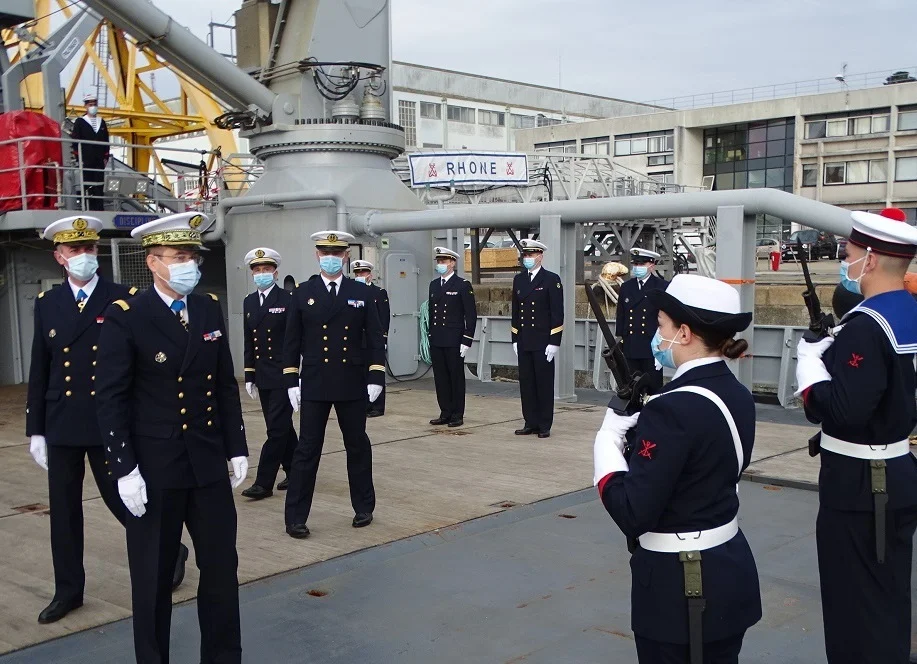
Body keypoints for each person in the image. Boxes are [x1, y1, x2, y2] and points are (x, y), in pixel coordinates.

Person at [94, 211, 248, 663]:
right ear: (154, 262)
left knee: (221, 570)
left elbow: (223, 384)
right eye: (179, 257)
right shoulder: (126, 316)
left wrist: (236, 446)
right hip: (154, 468)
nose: (189, 266)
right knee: (153, 577)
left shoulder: (205, 306)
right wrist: (123, 468)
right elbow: (111, 398)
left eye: (193, 257)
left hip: (206, 463)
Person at [24, 215, 188, 625]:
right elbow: (40, 367)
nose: (84, 255)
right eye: (75, 249)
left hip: (108, 421)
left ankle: (169, 553)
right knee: (63, 510)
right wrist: (36, 428)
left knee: (125, 499)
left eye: (90, 248)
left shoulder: (124, 298)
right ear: (60, 256)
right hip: (62, 419)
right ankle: (68, 591)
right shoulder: (47, 304)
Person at [594, 274, 761, 664]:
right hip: (727, 568)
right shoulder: (736, 394)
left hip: (681, 587)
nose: (657, 335)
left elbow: (633, 511)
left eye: (661, 326)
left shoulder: (670, 409)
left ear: (683, 333)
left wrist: (607, 440)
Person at [795, 208, 917, 664]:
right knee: (886, 599)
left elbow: (841, 412)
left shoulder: (866, 327)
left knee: (853, 607)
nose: (843, 263)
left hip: (862, 483)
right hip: (897, 470)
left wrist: (810, 366)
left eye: (848, 254)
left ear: (869, 260)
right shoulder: (909, 311)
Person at [282, 231, 385, 539]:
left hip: (351, 380)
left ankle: (363, 507)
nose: (330, 257)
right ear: (317, 255)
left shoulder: (361, 292)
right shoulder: (303, 292)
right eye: (324, 251)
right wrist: (290, 379)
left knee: (357, 445)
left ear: (345, 256)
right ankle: (295, 517)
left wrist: (376, 375)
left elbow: (374, 338)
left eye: (336, 252)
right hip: (315, 381)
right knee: (307, 450)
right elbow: (292, 341)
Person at [240, 247, 297, 500]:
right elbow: (249, 341)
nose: (261, 273)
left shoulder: (288, 300)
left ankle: (264, 482)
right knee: (282, 428)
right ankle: (297, 470)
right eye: (257, 269)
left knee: (275, 430)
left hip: (284, 375)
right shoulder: (249, 302)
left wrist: (297, 376)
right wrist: (249, 374)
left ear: (275, 272)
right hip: (263, 375)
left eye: (266, 269)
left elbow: (297, 340)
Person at [510, 239, 564, 439]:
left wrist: (554, 342)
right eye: (525, 255)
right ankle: (529, 421)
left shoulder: (551, 279)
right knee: (527, 382)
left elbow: (557, 313)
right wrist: (515, 337)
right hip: (524, 340)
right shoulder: (519, 280)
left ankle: (544, 424)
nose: (528, 259)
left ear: (540, 256)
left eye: (531, 255)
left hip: (543, 341)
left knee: (543, 382)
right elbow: (515, 311)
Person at [427, 247, 477, 428]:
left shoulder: (462, 285)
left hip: (455, 339)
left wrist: (467, 339)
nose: (441, 264)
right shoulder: (433, 285)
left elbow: (470, 315)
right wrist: (429, 335)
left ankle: (457, 414)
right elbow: (432, 313)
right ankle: (445, 411)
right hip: (437, 338)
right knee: (440, 377)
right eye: (438, 261)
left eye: (444, 261)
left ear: (452, 263)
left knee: (455, 377)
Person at [615, 248, 668, 394]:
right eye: (635, 263)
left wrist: (663, 349)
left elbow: (667, 319)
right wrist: (620, 339)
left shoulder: (662, 287)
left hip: (652, 347)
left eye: (641, 264)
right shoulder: (627, 287)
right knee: (631, 388)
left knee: (652, 388)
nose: (637, 267)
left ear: (652, 265)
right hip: (631, 345)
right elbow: (621, 315)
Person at [352, 260, 391, 417]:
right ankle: (364, 404)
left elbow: (384, 317)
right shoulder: (352, 292)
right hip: (356, 340)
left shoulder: (378, 292)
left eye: (363, 272)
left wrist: (383, 339)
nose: (360, 275)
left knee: (375, 372)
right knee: (359, 374)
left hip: (373, 340)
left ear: (370, 275)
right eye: (357, 273)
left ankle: (377, 406)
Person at [69, 92, 110, 212]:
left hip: (99, 159)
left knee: (99, 184)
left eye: (94, 104)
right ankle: (89, 206)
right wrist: (78, 159)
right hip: (86, 159)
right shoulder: (80, 122)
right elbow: (75, 141)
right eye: (90, 104)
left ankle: (99, 207)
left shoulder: (101, 122)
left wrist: (105, 156)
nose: (93, 107)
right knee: (88, 183)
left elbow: (106, 140)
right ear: (86, 106)